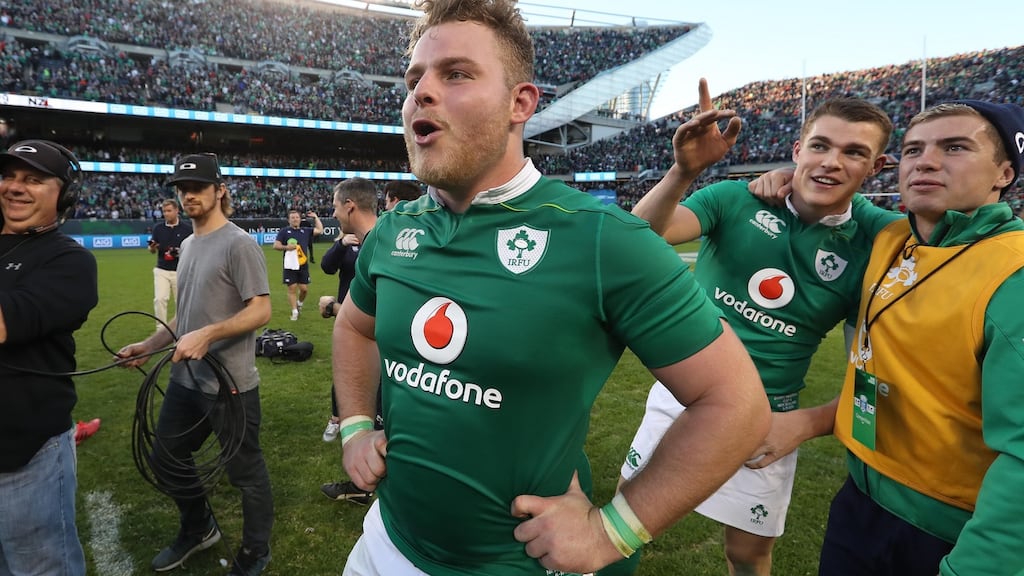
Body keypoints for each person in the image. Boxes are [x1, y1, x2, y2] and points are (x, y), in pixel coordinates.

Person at [333, 1, 771, 574]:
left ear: (521, 103)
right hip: (384, 544)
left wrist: (615, 529)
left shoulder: (603, 240)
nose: (422, 92)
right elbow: (352, 326)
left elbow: (736, 404)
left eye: (457, 73)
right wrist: (357, 427)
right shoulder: (394, 230)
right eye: (414, 79)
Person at [614, 84, 902, 576]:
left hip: (769, 414)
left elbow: (883, 369)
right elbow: (639, 236)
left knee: (748, 553)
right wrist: (684, 171)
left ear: (876, 168)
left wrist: (810, 423)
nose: (832, 161)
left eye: (854, 153)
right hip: (682, 394)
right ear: (797, 151)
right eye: (820, 146)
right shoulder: (734, 198)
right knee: (624, 519)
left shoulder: (882, 237)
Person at [820, 100, 1024, 576]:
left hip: (945, 531)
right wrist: (780, 180)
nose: (925, 161)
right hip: (859, 499)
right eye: (913, 150)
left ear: (1005, 174)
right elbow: (825, 199)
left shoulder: (1013, 275)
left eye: (955, 147)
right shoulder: (892, 236)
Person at [116, 153, 274, 576]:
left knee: (246, 473)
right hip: (186, 379)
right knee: (165, 457)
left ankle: (255, 552)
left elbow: (260, 311)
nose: (188, 195)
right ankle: (199, 527)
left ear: (219, 190)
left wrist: (208, 335)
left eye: (198, 187)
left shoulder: (239, 243)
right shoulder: (186, 243)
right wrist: (149, 345)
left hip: (230, 387)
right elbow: (184, 315)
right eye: (182, 189)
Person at [0, 139, 98, 576]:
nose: (15, 187)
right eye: (9, 176)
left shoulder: (70, 261)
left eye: (34, 180)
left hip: (27, 455)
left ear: (65, 196)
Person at [318, 177, 380, 505]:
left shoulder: (379, 244)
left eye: (335, 205)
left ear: (350, 206)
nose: (333, 211)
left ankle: (365, 484)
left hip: (378, 344)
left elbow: (387, 309)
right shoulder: (385, 238)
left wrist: (335, 307)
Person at [149, 198, 192, 328]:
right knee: (160, 299)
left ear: (177, 211)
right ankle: (161, 330)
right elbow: (151, 250)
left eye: (169, 211)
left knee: (181, 303)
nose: (166, 214)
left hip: (180, 270)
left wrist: (178, 252)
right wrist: (152, 247)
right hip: (162, 269)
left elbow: (192, 249)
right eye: (164, 211)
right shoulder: (158, 228)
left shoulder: (187, 229)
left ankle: (180, 328)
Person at [274, 208, 323, 321]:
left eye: (297, 217)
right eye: (292, 218)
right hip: (290, 265)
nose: (295, 219)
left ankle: (299, 304)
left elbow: (320, 230)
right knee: (292, 288)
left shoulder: (305, 231)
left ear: (300, 219)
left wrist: (316, 217)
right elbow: (276, 246)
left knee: (304, 289)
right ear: (289, 220)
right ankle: (294, 311)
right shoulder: (284, 232)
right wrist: (286, 247)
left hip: (303, 264)